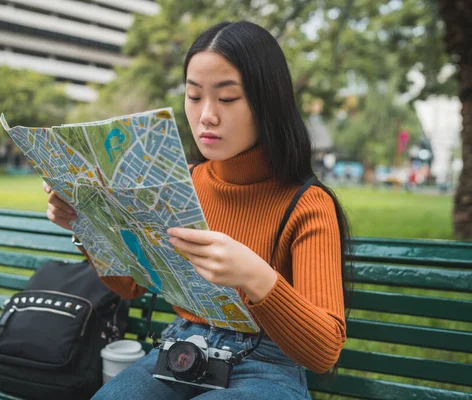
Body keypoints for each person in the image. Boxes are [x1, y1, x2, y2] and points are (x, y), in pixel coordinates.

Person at [44, 20, 350, 400]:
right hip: (180, 350)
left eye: (226, 98)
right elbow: (131, 285)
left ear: (267, 102)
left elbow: (323, 352)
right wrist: (86, 227)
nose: (206, 115)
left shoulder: (306, 204)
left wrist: (256, 276)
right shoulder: (178, 183)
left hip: (267, 366)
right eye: (194, 96)